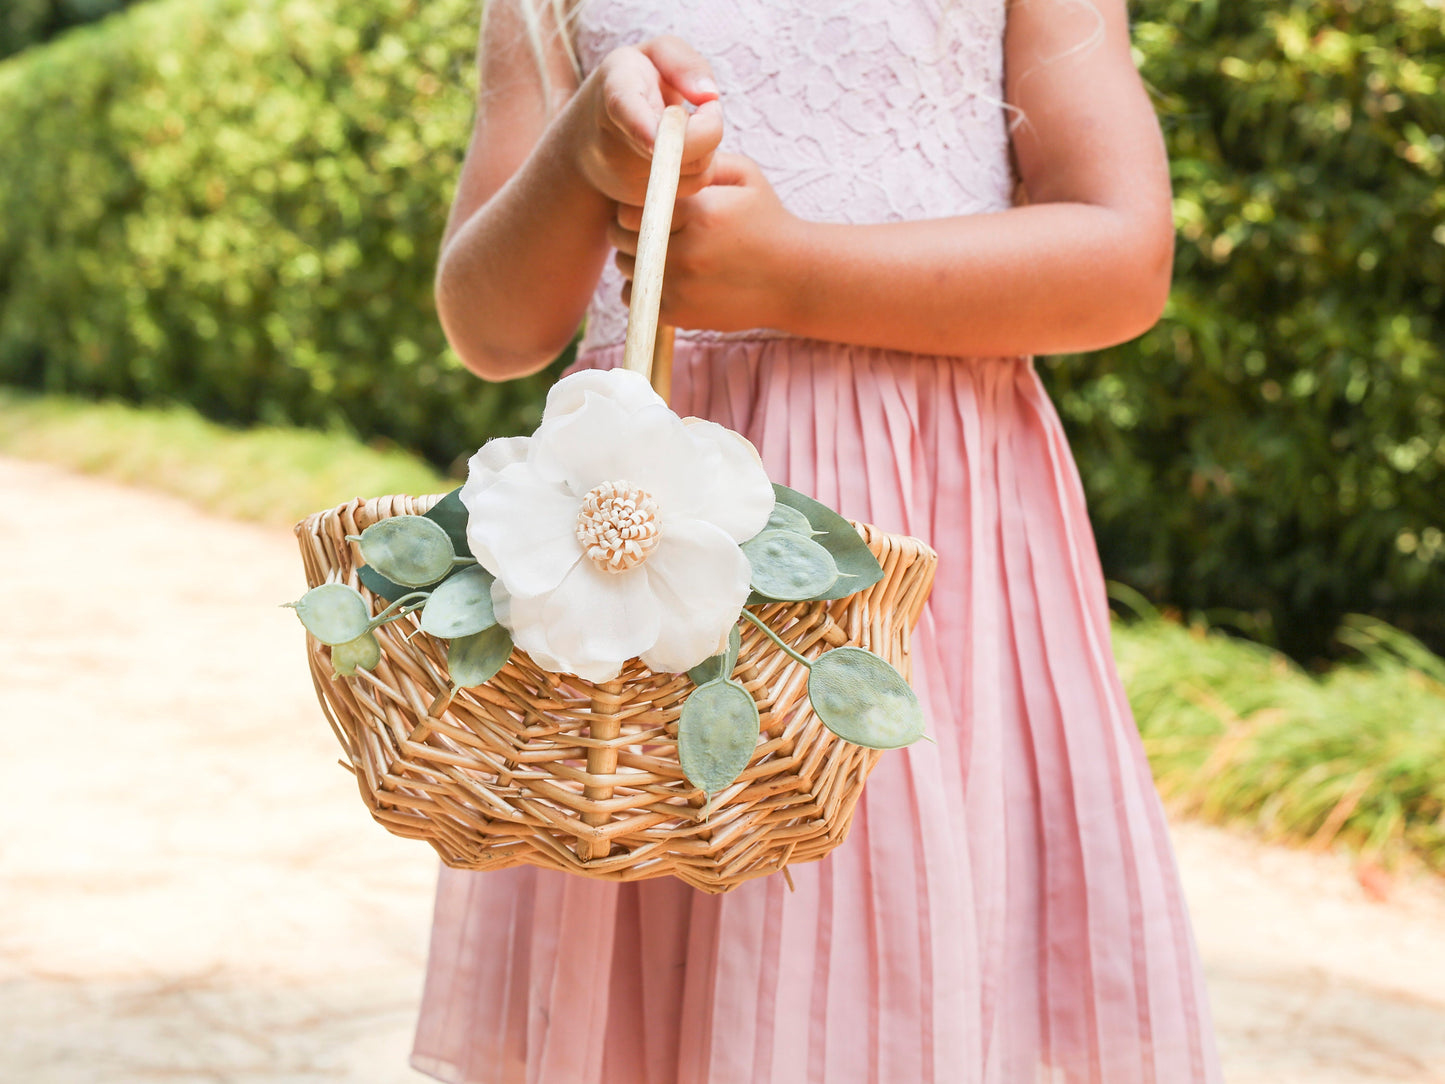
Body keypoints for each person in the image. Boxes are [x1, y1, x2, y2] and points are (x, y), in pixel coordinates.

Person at [410, 0, 1225, 1080]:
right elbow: (492, 327)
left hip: (906, 558)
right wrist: (580, 155)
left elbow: (1122, 257)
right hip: (642, 564)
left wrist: (794, 273)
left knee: (888, 956)